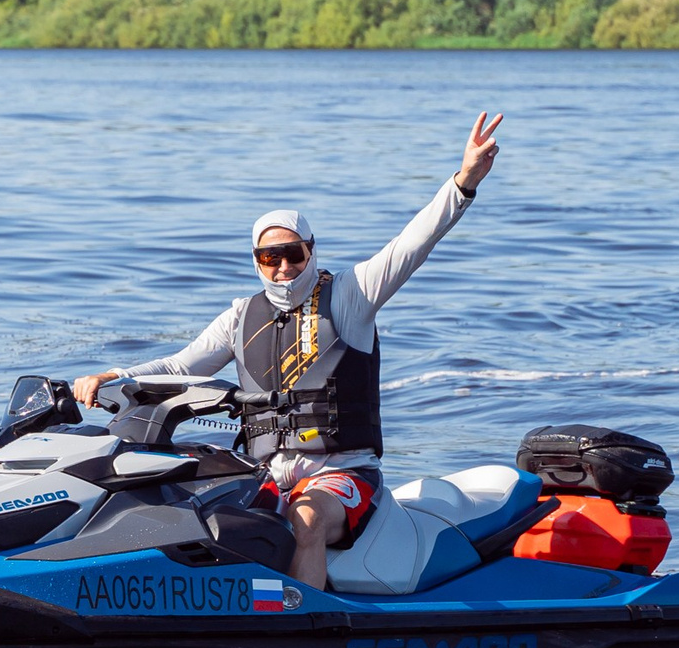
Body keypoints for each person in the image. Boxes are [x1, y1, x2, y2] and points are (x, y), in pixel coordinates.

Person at [71, 112, 502, 590]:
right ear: (256, 261)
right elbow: (179, 367)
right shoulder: (240, 316)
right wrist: (114, 377)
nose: (282, 266)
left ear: (311, 251)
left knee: (306, 519)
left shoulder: (351, 295)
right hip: (266, 470)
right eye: (269, 257)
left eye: (293, 254)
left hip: (344, 473)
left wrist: (463, 182)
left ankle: (305, 619)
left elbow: (411, 245)